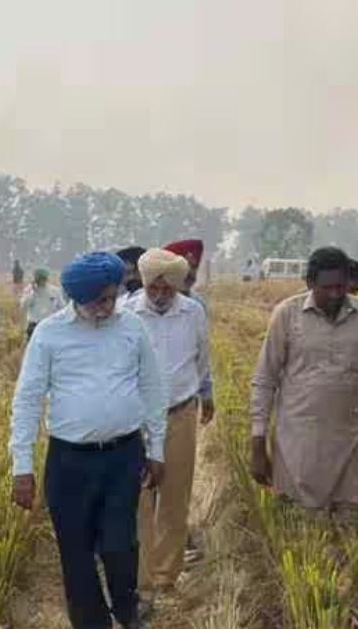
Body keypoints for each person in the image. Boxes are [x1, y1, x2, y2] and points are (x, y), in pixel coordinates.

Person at [11, 252, 167, 629]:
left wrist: (156, 448)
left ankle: (127, 612)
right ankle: (91, 622)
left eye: (112, 297)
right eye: (100, 300)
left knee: (120, 545)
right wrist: (22, 466)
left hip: (123, 456)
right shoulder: (49, 333)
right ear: (78, 298)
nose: (108, 306)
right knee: (76, 553)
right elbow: (28, 399)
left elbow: (152, 387)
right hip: (69, 462)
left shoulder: (131, 327)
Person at [250, 246, 358, 531]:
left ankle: (351, 575)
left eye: (341, 287)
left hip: (354, 441)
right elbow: (264, 379)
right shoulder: (287, 315)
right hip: (300, 446)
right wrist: (257, 443)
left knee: (350, 529)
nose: (334, 294)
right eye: (326, 287)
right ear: (309, 283)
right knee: (305, 533)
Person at [118, 249, 213, 611]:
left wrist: (205, 393)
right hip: (135, 418)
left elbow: (201, 359)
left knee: (175, 494)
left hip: (179, 413)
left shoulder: (193, 313)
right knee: (138, 498)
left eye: (166, 289)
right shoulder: (126, 312)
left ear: (176, 286)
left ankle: (165, 576)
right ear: (144, 284)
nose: (159, 295)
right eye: (153, 288)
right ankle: (140, 580)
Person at [20, 267, 64, 340]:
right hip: (34, 325)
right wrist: (33, 293)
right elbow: (24, 305)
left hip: (50, 325)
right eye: (39, 279)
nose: (42, 281)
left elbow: (62, 307)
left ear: (46, 278)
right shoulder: (29, 290)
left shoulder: (55, 290)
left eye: (43, 278)